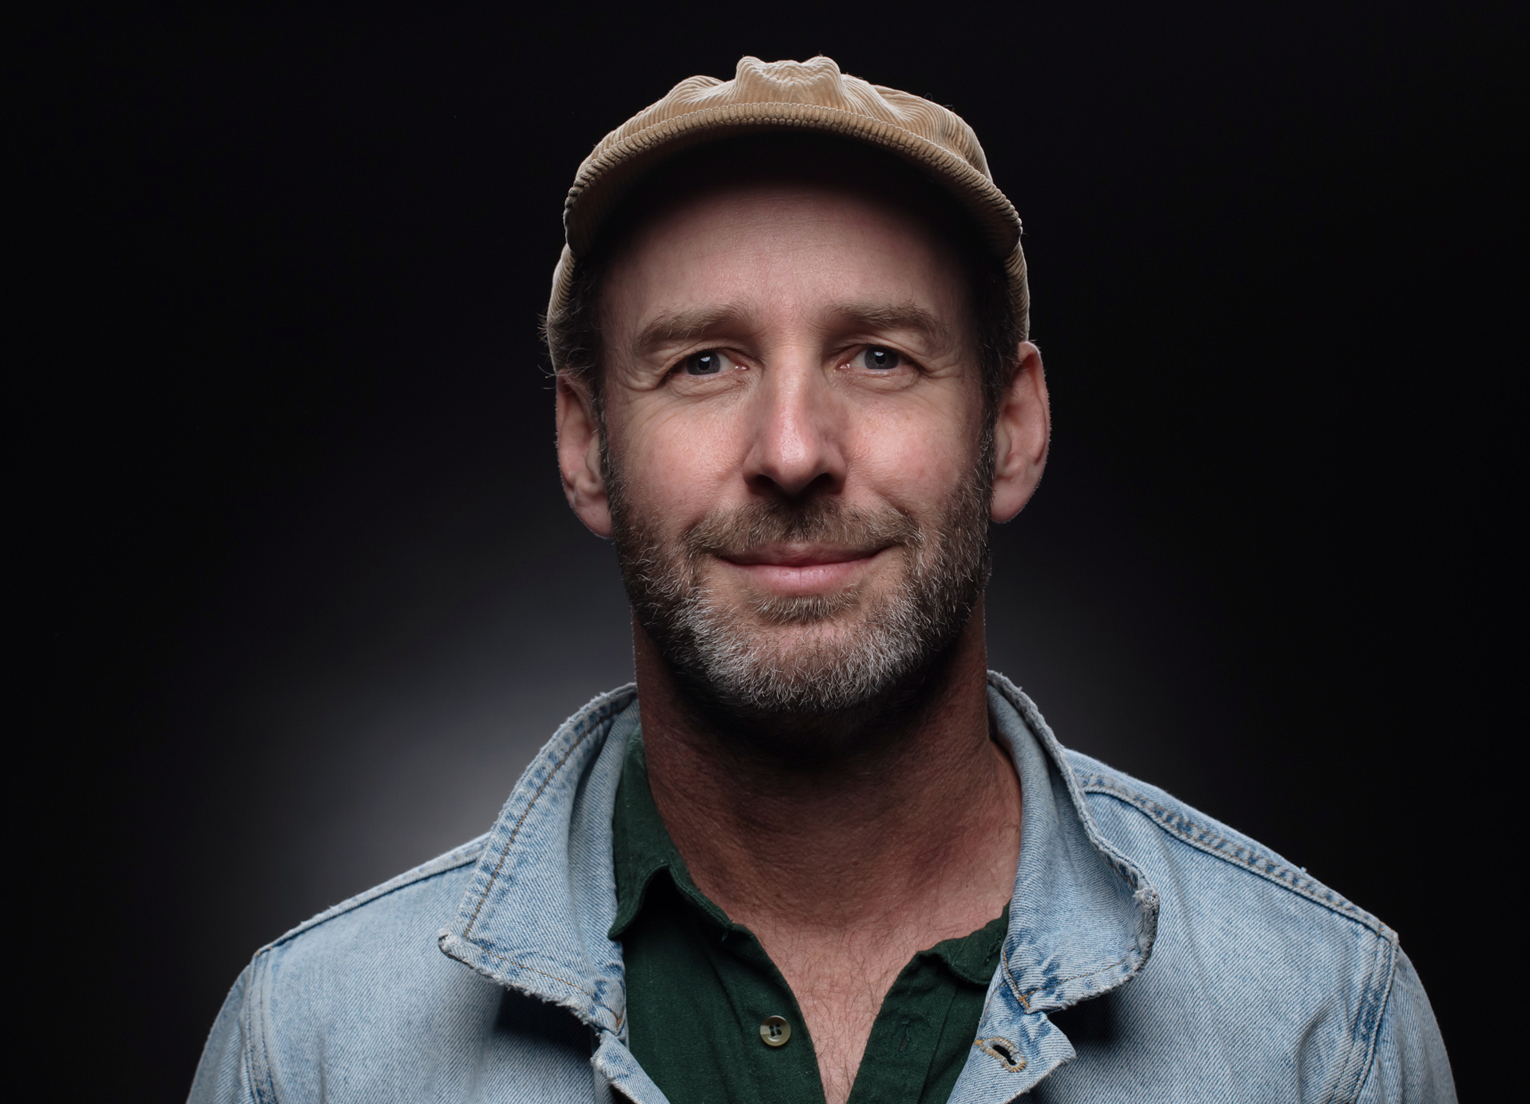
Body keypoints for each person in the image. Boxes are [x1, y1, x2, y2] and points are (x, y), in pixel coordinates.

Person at [189, 56, 1453, 1104]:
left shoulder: (1321, 1030)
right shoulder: (310, 1053)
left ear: (1011, 428)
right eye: (703, 362)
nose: (793, 452)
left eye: (878, 355)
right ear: (584, 443)